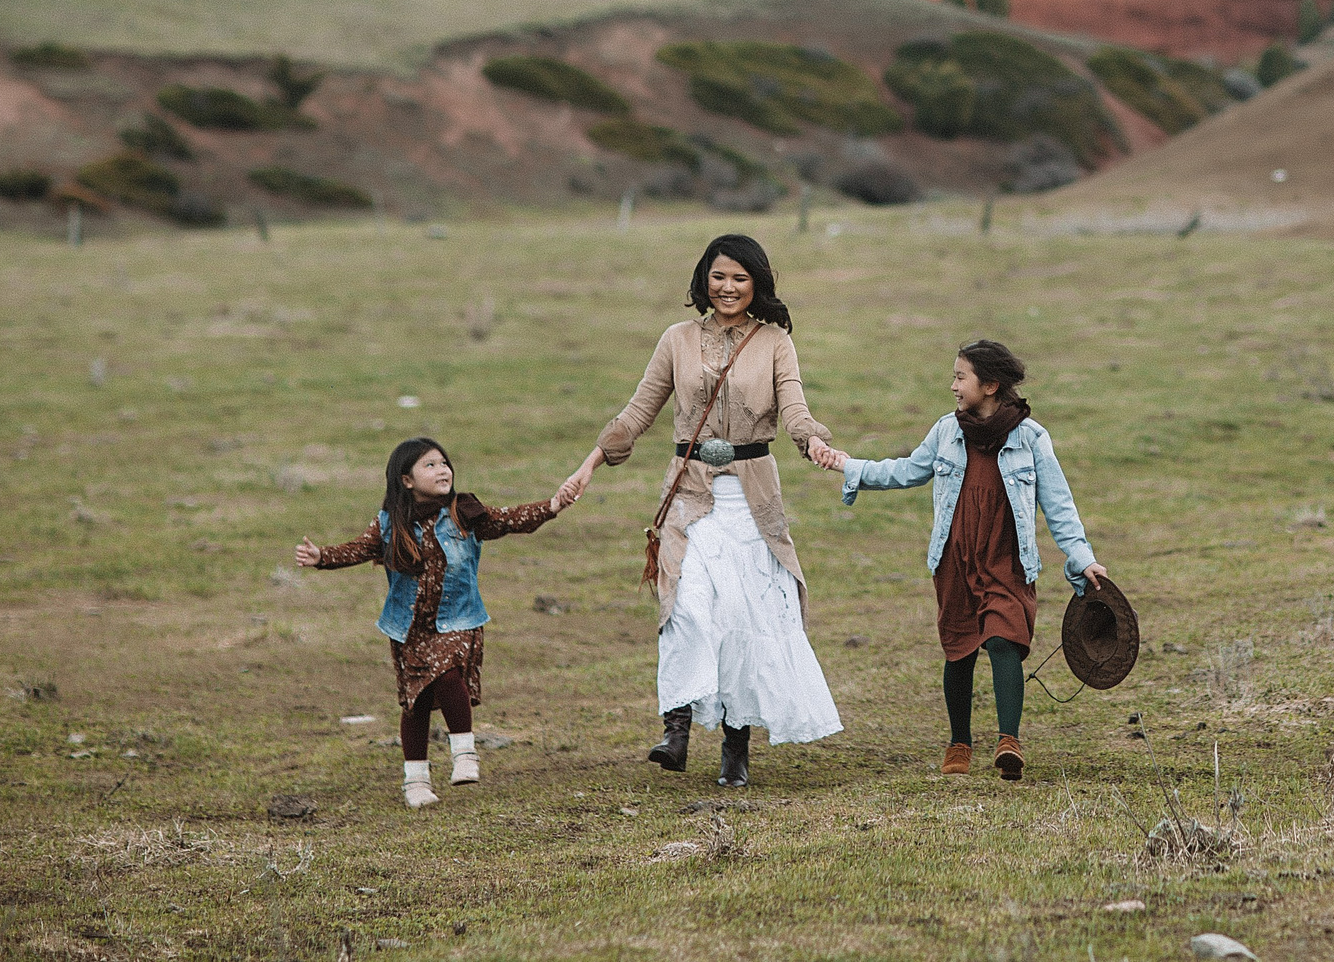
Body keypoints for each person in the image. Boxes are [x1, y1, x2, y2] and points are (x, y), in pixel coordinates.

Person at [554, 233, 844, 786]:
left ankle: (736, 747)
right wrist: (587, 466)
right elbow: (637, 412)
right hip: (689, 498)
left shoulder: (775, 341)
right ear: (702, 281)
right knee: (685, 608)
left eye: (739, 277)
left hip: (753, 503)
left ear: (756, 282)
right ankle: (677, 728)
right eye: (718, 276)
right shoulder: (677, 339)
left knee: (743, 619)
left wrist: (816, 444)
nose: (728, 287)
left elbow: (796, 409)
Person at [822, 339, 1106, 781]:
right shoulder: (945, 432)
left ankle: (1009, 741)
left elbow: (1059, 504)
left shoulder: (1031, 437)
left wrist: (1082, 557)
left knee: (1003, 639)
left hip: (1007, 559)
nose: (952, 385)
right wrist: (850, 466)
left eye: (960, 377)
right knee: (960, 648)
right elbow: (907, 470)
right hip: (955, 558)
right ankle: (959, 742)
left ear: (990, 385)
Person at [295, 437, 566, 809]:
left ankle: (465, 754)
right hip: (410, 629)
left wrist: (551, 506)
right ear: (407, 480)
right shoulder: (390, 524)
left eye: (444, 463)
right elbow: (357, 549)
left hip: (459, 619)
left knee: (448, 674)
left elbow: (510, 519)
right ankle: (416, 781)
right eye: (430, 465)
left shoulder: (464, 512)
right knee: (416, 704)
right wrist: (321, 556)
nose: (442, 470)